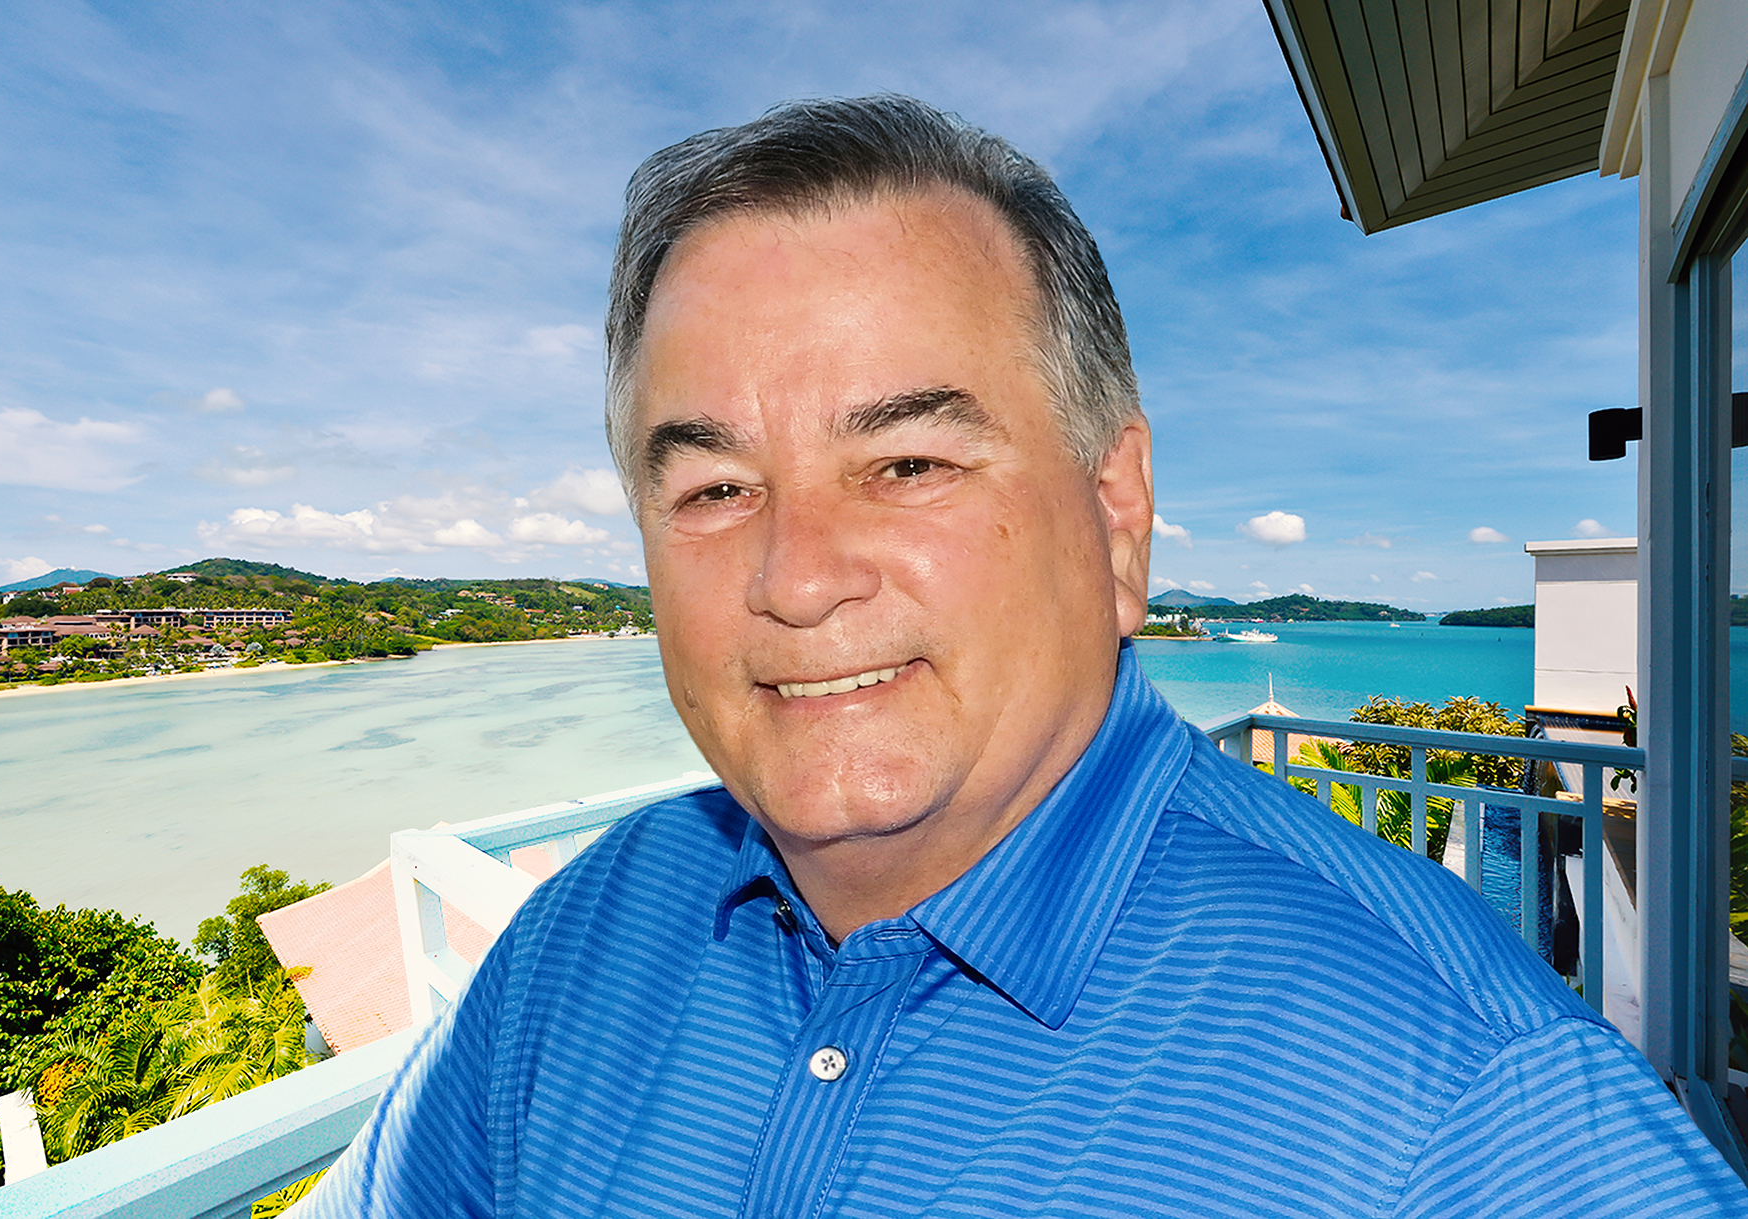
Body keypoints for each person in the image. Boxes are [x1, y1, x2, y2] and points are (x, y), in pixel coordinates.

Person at [296, 96, 1746, 1217]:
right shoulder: (580, 947)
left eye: (910, 461)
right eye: (713, 488)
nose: (794, 577)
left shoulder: (1471, 1110)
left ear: (1117, 519)